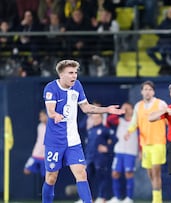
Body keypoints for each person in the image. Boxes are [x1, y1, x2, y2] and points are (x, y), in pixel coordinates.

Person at [42, 59, 124, 203]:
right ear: (61, 74)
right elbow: (50, 110)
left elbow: (86, 108)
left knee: (81, 174)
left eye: (75, 73)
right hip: (55, 141)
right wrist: (55, 115)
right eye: (70, 73)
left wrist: (106, 109)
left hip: (73, 140)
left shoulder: (77, 86)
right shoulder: (51, 88)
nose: (74, 76)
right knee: (51, 177)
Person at [124, 80, 167, 203]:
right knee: (150, 174)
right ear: (142, 91)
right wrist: (128, 131)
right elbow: (134, 122)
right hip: (145, 144)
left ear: (153, 91)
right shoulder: (138, 106)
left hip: (158, 143)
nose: (147, 92)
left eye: (150, 89)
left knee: (156, 171)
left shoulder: (160, 104)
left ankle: (157, 200)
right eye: (145, 89)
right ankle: (157, 196)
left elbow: (168, 118)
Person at [108, 102, 138, 203]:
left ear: (132, 110)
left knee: (128, 173)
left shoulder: (136, 122)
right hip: (119, 151)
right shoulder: (119, 120)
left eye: (128, 108)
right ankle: (117, 197)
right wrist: (119, 112)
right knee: (115, 173)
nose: (126, 110)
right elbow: (110, 120)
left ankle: (129, 198)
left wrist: (141, 150)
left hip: (130, 151)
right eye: (124, 108)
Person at [85, 113, 117, 203]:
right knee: (88, 177)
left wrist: (107, 147)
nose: (95, 120)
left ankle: (103, 198)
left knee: (102, 177)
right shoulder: (90, 130)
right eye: (93, 118)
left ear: (101, 118)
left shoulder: (105, 130)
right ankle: (91, 198)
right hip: (90, 158)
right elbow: (88, 145)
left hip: (100, 158)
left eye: (97, 118)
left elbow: (114, 139)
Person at [24, 109, 48, 177]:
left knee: (47, 177)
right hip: (36, 154)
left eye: (42, 116)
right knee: (26, 170)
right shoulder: (40, 126)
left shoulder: (52, 127)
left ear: (47, 116)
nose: (40, 118)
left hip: (46, 156)